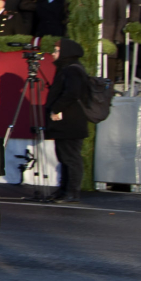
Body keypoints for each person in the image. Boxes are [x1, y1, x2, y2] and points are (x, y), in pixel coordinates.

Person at [43, 38, 90, 202]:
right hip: (65, 122)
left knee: (70, 158)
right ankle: (64, 189)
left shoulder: (73, 70)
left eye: (56, 51)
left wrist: (57, 108)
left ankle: (72, 192)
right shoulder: (66, 68)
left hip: (71, 122)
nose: (53, 54)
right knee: (64, 157)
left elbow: (72, 92)